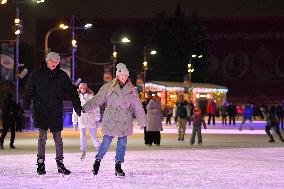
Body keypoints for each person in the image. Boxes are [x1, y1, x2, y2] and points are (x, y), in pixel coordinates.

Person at [22, 52, 82, 175]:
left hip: (55, 111)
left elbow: (72, 92)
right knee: (42, 138)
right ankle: (40, 163)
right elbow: (28, 91)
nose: (54, 64)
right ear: (47, 60)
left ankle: (60, 163)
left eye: (56, 62)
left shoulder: (62, 76)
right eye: (52, 61)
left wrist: (77, 106)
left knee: (58, 139)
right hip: (40, 110)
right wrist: (26, 107)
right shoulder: (37, 74)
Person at [82, 63, 146, 177]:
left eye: (126, 75)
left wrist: (143, 121)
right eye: (122, 75)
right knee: (106, 142)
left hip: (124, 119)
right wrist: (85, 108)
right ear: (117, 75)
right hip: (111, 118)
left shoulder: (132, 89)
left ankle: (118, 166)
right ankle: (97, 161)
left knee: (122, 144)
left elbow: (138, 106)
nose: (124, 77)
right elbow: (97, 99)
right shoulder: (108, 87)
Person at [72, 82, 101, 160]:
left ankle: (99, 150)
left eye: (84, 88)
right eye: (81, 88)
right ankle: (83, 151)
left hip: (91, 118)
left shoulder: (91, 96)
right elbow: (75, 110)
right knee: (82, 136)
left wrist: (97, 118)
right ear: (79, 88)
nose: (82, 89)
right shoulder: (77, 97)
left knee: (94, 136)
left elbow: (96, 108)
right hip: (81, 119)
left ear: (86, 88)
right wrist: (74, 122)